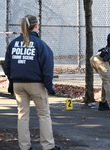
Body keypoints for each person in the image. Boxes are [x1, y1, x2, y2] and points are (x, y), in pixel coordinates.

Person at [3, 15, 60, 150]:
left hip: (18, 83)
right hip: (36, 84)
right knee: (44, 114)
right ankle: (48, 145)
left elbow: (7, 65)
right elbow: (47, 68)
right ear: (36, 26)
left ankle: (24, 146)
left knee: (22, 115)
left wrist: (12, 79)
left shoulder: (13, 43)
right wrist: (49, 86)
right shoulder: (40, 45)